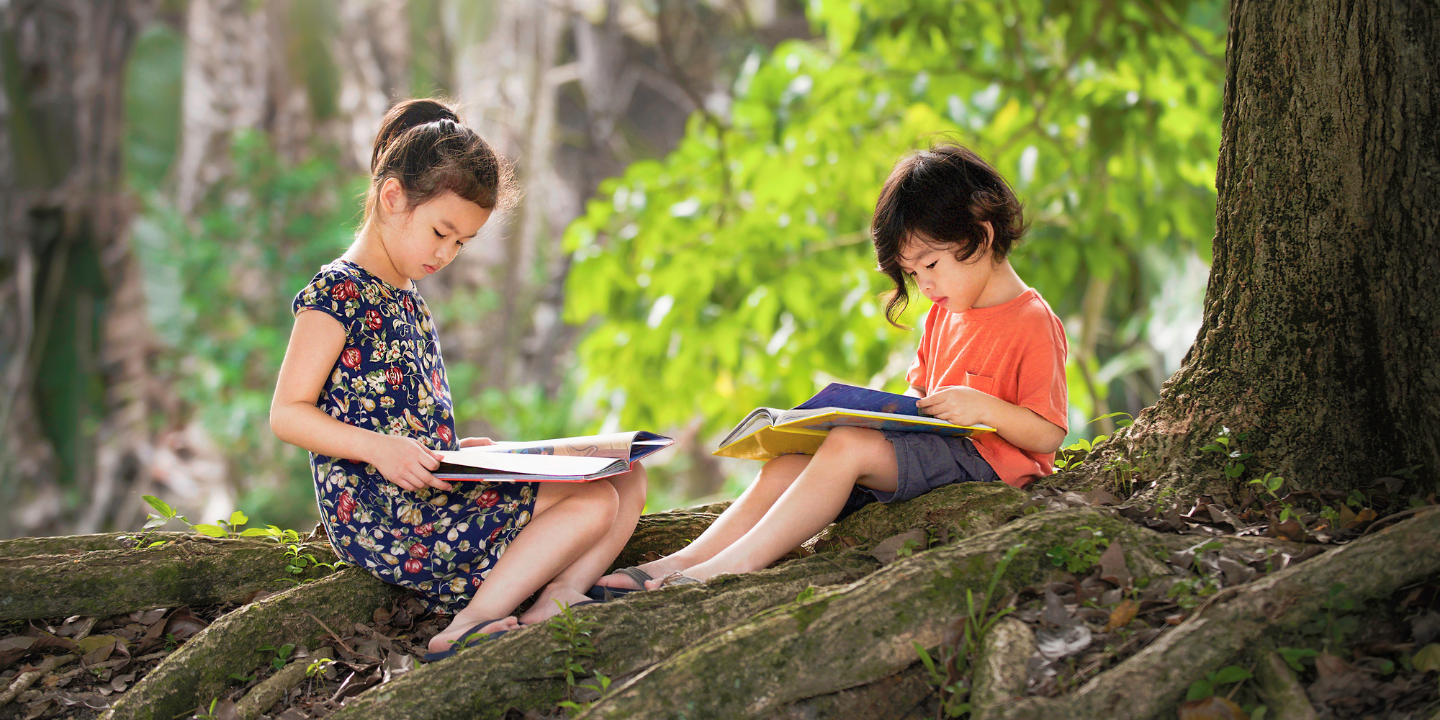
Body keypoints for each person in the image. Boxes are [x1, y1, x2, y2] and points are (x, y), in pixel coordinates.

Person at [594, 143, 1066, 592]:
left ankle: (724, 570)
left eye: (932, 264)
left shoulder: (1032, 320)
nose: (925, 285)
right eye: (913, 274)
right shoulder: (945, 314)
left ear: (981, 235)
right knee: (788, 464)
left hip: (991, 467)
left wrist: (984, 408)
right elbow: (920, 396)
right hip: (935, 453)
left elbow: (1048, 437)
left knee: (846, 447)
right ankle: (675, 564)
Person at [270, 98, 646, 658]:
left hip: (428, 484)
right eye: (441, 232)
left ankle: (561, 596)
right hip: (389, 513)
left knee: (628, 475)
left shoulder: (407, 299)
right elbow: (287, 413)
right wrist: (382, 451)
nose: (447, 254)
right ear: (393, 197)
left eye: (461, 243)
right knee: (594, 504)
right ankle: (470, 623)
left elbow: (401, 410)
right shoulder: (337, 294)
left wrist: (454, 453)